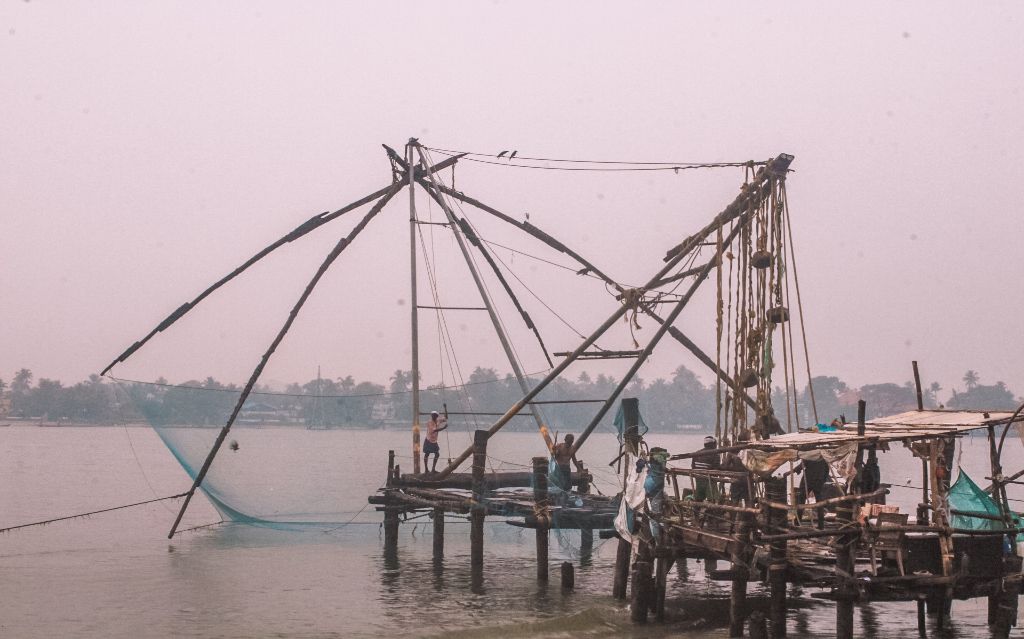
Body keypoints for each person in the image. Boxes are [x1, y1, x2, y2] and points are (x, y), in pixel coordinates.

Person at [692, 435, 721, 501]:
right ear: (713, 444)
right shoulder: (715, 454)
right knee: (713, 500)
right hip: (709, 480)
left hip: (698, 479)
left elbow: (693, 467)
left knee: (698, 499)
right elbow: (716, 471)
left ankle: (696, 510)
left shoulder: (696, 453)